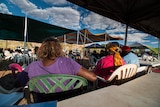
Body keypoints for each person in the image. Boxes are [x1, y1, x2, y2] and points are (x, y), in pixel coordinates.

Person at [15, 37, 96, 88]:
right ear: (59, 49)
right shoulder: (68, 62)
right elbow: (93, 77)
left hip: (42, 103)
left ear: (42, 49)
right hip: (67, 101)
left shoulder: (32, 66)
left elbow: (18, 83)